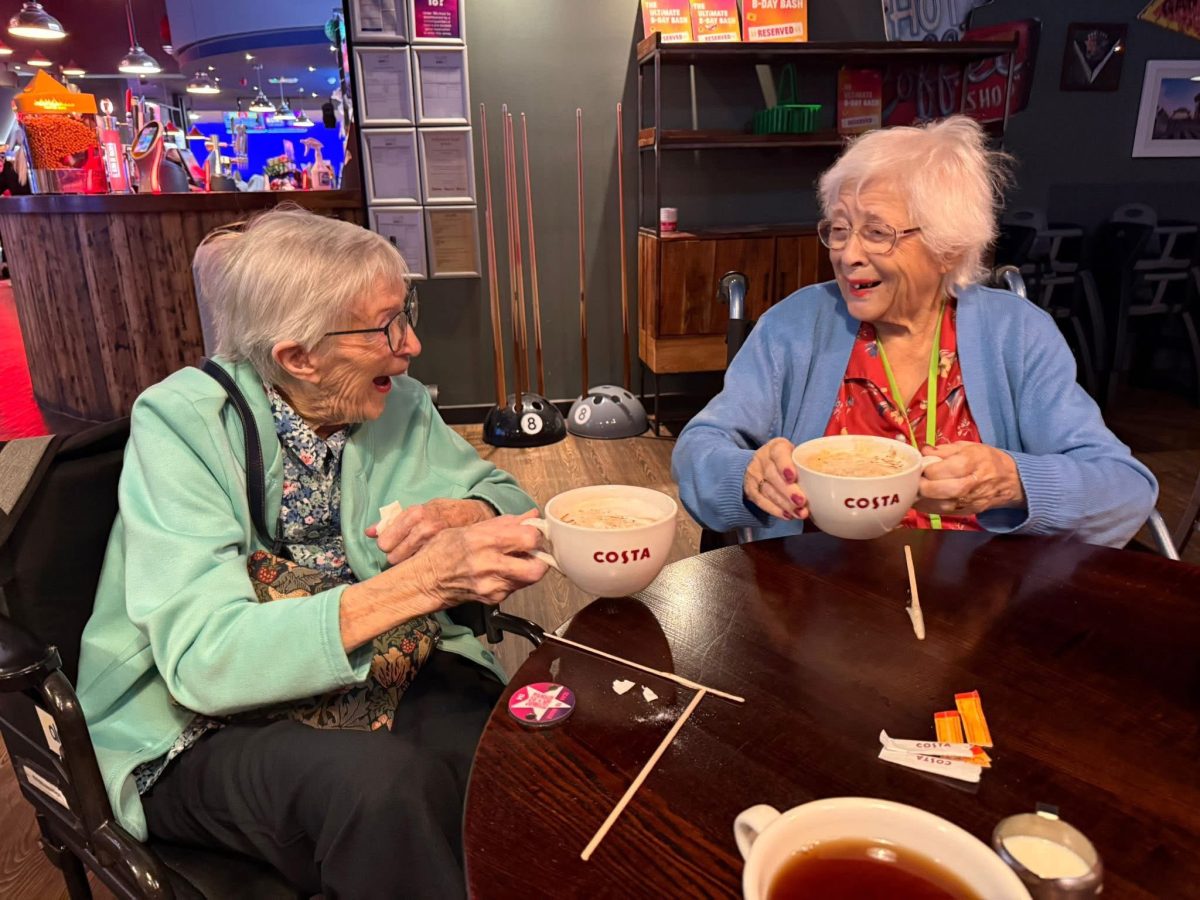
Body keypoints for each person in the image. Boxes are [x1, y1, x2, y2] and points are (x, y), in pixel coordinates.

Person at [76, 206, 548, 898]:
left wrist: (465, 512)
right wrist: (423, 584)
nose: (411, 344)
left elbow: (510, 499)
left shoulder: (400, 404)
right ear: (297, 357)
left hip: (374, 673)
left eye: (406, 313)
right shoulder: (181, 424)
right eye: (386, 326)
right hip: (197, 722)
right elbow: (205, 658)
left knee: (505, 752)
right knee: (380, 792)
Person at [672, 116, 1157, 549]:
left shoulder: (1017, 334)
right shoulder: (795, 325)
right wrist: (747, 475)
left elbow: (1125, 489)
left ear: (948, 247)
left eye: (877, 232)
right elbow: (700, 448)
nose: (848, 255)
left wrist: (1014, 482)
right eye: (839, 229)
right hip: (817, 582)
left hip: (983, 593)